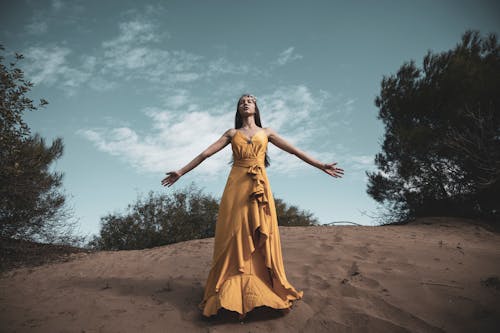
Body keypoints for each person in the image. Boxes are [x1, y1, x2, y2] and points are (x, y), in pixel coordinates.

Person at [161, 94, 344, 321]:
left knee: (260, 230)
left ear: (256, 107)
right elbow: (204, 154)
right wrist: (181, 171)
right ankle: (229, 291)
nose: (246, 102)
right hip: (236, 186)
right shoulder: (231, 134)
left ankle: (262, 287)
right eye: (241, 101)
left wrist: (320, 165)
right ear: (238, 110)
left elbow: (294, 151)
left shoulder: (267, 132)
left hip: (259, 185)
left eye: (250, 100)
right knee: (235, 233)